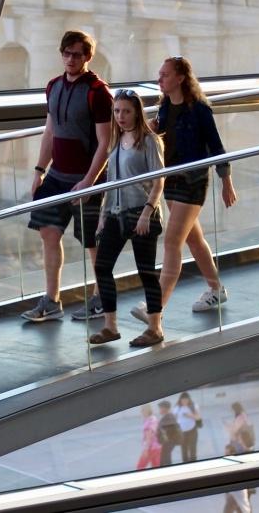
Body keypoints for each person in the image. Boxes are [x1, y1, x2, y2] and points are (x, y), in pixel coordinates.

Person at [131, 56, 238, 330]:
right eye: (159, 74)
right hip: (171, 182)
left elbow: (216, 146)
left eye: (165, 74)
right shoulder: (165, 108)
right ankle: (216, 289)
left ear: (180, 78)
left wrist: (226, 181)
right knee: (194, 240)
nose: (160, 79)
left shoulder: (199, 110)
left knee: (171, 243)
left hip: (192, 183)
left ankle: (157, 307)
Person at [22, 31, 113, 322]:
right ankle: (52, 299)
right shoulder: (53, 86)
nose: (71, 59)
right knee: (48, 232)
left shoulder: (98, 92)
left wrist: (89, 181)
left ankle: (101, 298)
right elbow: (50, 131)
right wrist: (39, 170)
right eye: (67, 53)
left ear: (88, 57)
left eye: (77, 54)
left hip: (88, 178)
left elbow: (105, 143)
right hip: (57, 176)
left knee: (92, 242)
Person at [88, 89, 166, 347]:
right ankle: (110, 326)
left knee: (146, 271)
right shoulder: (117, 140)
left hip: (141, 213)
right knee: (102, 267)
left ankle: (155, 327)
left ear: (137, 112)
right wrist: (102, 215)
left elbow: (159, 180)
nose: (120, 116)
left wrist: (147, 212)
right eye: (117, 111)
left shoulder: (149, 141)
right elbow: (111, 182)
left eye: (126, 111)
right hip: (116, 213)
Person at [174, 392, 202, 462]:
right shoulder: (177, 407)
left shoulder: (194, 406)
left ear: (189, 399)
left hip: (192, 431)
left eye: (186, 400)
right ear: (180, 400)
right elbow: (174, 420)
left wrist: (190, 415)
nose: (184, 402)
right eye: (183, 400)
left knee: (192, 449)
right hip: (182, 433)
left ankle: (193, 465)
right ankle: (185, 465)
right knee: (184, 450)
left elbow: (198, 418)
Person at [136, 404, 161, 470]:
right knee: (156, 467)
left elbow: (149, 435)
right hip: (157, 447)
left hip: (151, 448)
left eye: (143, 410)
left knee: (140, 467)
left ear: (148, 410)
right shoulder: (153, 418)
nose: (141, 412)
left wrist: (146, 450)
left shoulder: (150, 420)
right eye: (141, 410)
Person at [157, 400, 182, 466]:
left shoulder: (169, 417)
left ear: (165, 408)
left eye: (160, 408)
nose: (159, 409)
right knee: (167, 459)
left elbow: (167, 431)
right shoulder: (168, 416)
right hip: (168, 443)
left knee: (164, 460)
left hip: (168, 443)